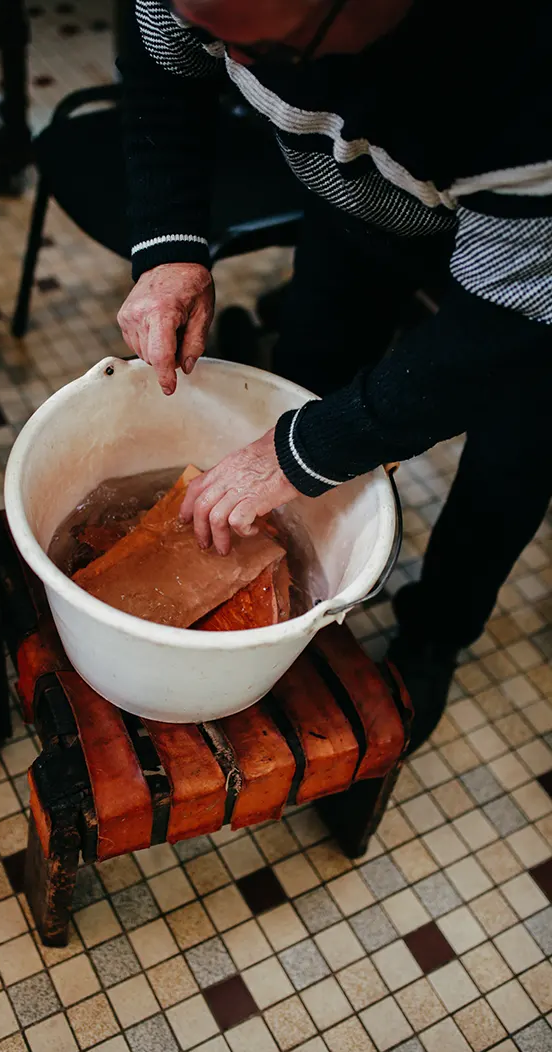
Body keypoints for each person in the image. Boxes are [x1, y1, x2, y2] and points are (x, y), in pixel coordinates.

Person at [115, 0, 552, 754]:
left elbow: (503, 327)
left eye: (263, 50)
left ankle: (435, 633)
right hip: (357, 208)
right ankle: (295, 578)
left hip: (533, 284)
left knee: (514, 457)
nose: (228, 63)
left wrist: (308, 451)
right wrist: (170, 243)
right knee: (312, 358)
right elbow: (165, 61)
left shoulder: (526, 71)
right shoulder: (211, 9)